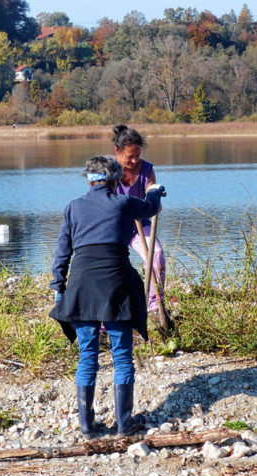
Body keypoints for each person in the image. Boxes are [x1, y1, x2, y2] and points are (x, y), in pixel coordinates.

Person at [50, 156, 166, 438]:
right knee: (122, 355)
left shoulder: (73, 207)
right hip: (117, 283)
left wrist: (58, 286)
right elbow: (150, 209)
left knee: (87, 355)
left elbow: (62, 251)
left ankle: (88, 428)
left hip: (82, 285)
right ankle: (125, 424)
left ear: (88, 180)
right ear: (114, 180)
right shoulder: (123, 203)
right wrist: (154, 191)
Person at [112, 124, 165, 313]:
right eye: (130, 156)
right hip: (113, 227)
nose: (134, 160)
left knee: (156, 254)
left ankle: (154, 303)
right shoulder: (109, 169)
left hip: (139, 225)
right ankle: (107, 311)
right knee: (109, 264)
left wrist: (155, 200)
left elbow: (152, 198)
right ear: (117, 151)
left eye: (138, 155)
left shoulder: (147, 169)